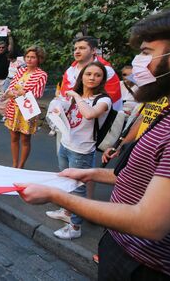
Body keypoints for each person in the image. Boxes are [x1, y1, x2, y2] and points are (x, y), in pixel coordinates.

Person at [16, 8, 170, 280]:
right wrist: (90, 173)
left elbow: (151, 223)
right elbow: (141, 176)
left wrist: (56, 195)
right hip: (125, 250)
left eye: (148, 52)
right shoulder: (167, 113)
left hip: (147, 267)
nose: (138, 62)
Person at [46, 61, 112, 240]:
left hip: (82, 150)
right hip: (66, 144)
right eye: (88, 74)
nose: (92, 78)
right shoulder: (74, 96)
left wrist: (76, 95)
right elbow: (63, 114)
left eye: (97, 75)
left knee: (78, 189)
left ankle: (75, 227)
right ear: (81, 76)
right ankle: (67, 212)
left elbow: (89, 114)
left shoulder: (103, 100)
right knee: (66, 181)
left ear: (102, 79)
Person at [2, 46, 47, 169]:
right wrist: (17, 92)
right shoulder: (20, 71)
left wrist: (19, 92)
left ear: (39, 59)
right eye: (27, 56)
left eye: (33, 57)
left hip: (27, 108)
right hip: (13, 107)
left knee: (25, 140)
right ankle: (15, 163)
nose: (29, 59)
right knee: (14, 137)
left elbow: (37, 94)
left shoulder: (41, 75)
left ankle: (21, 166)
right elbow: (11, 87)